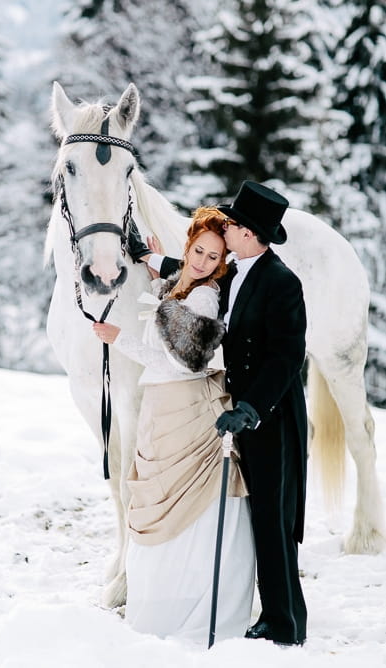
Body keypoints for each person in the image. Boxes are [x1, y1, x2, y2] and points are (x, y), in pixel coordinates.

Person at [136, 181, 308, 647]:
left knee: (274, 517)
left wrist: (252, 409)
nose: (225, 229)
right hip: (242, 410)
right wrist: (153, 261)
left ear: (248, 233)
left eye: (231, 225)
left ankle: (283, 624)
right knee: (258, 514)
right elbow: (195, 273)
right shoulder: (238, 271)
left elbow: (287, 358)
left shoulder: (280, 281)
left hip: (271, 414)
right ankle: (280, 611)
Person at [93, 208, 256, 643]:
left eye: (213, 256)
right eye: (197, 251)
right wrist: (157, 273)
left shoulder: (203, 297)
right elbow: (169, 315)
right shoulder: (182, 287)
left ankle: (192, 602)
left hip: (185, 407)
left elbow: (184, 360)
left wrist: (120, 338)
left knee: (186, 503)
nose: (202, 261)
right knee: (157, 495)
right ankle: (162, 598)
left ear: (222, 262)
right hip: (160, 408)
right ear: (187, 249)